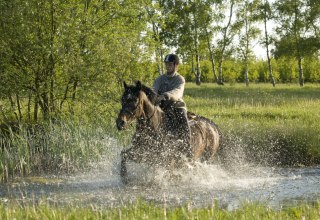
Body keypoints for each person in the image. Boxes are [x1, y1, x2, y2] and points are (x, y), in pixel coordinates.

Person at [153, 54, 191, 158]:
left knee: (183, 120)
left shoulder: (180, 79)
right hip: (161, 106)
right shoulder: (159, 79)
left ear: (176, 65)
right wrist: (154, 96)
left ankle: (187, 147)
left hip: (176, 106)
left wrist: (166, 95)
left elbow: (178, 92)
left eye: (170, 64)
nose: (168, 66)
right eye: (166, 64)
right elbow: (154, 89)